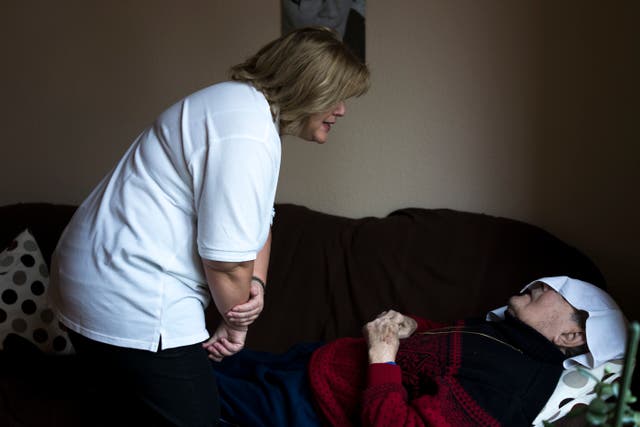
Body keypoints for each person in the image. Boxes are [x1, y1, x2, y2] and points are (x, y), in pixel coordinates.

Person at [48, 26, 370, 426]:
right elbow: (227, 263)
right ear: (309, 85)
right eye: (337, 97)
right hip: (130, 295)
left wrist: (257, 290)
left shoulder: (241, 110)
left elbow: (260, 224)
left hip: (91, 279)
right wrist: (238, 324)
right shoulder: (247, 134)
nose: (341, 110)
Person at [211, 276, 627, 427]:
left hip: (309, 407)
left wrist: (382, 356)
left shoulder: (510, 389)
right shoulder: (508, 333)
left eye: (563, 294)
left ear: (572, 337)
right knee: (197, 356)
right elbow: (443, 347)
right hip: (309, 365)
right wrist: (411, 326)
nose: (548, 284)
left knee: (177, 384)